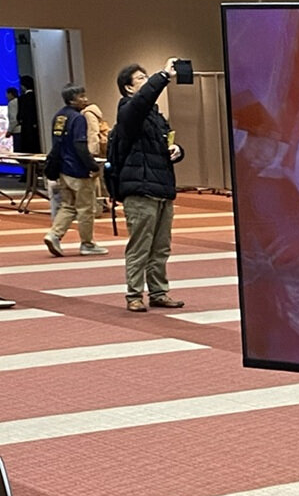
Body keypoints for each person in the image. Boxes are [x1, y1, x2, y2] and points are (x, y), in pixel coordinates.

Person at [112, 60, 185, 313]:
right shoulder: (128, 112)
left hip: (162, 187)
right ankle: (134, 294)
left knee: (161, 247)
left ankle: (158, 292)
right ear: (128, 88)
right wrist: (163, 75)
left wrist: (177, 150)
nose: (146, 81)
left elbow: (165, 145)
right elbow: (142, 101)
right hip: (140, 190)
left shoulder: (156, 117)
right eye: (141, 78)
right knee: (140, 246)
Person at [42, 84, 106, 258]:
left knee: (68, 206)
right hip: (78, 170)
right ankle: (87, 243)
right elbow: (80, 146)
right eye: (81, 97)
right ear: (71, 100)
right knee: (86, 208)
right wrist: (92, 166)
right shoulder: (78, 118)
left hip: (63, 169)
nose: (85, 99)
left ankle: (54, 234)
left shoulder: (59, 116)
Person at [12, 75, 39, 154]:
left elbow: (20, 114)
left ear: (23, 86)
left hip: (26, 126)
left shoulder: (22, 98)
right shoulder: (37, 96)